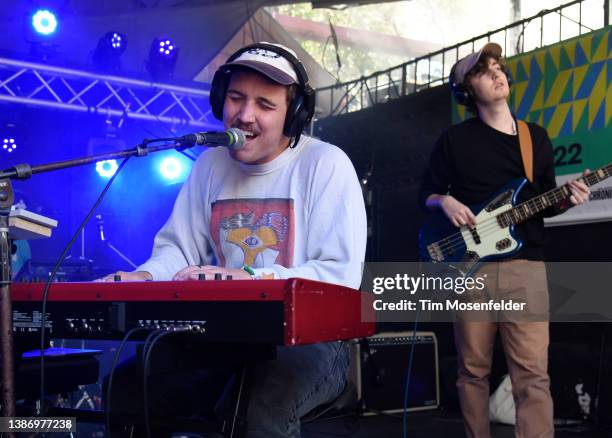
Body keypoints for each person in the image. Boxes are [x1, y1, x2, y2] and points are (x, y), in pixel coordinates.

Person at [100, 42, 367, 438]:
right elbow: (180, 250)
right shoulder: (209, 165)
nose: (245, 116)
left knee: (258, 408)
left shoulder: (326, 164)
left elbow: (338, 275)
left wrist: (250, 279)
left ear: (293, 116)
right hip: (224, 334)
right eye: (236, 98)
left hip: (313, 343)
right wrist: (145, 276)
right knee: (129, 388)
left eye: (265, 104)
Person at [418, 43, 590, 438]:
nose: (497, 74)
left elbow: (546, 203)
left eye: (498, 67)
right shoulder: (454, 141)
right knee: (473, 371)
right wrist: (444, 200)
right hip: (470, 268)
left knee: (532, 374)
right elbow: (424, 194)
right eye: (483, 71)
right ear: (465, 91)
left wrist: (569, 198)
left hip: (524, 266)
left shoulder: (536, 139)